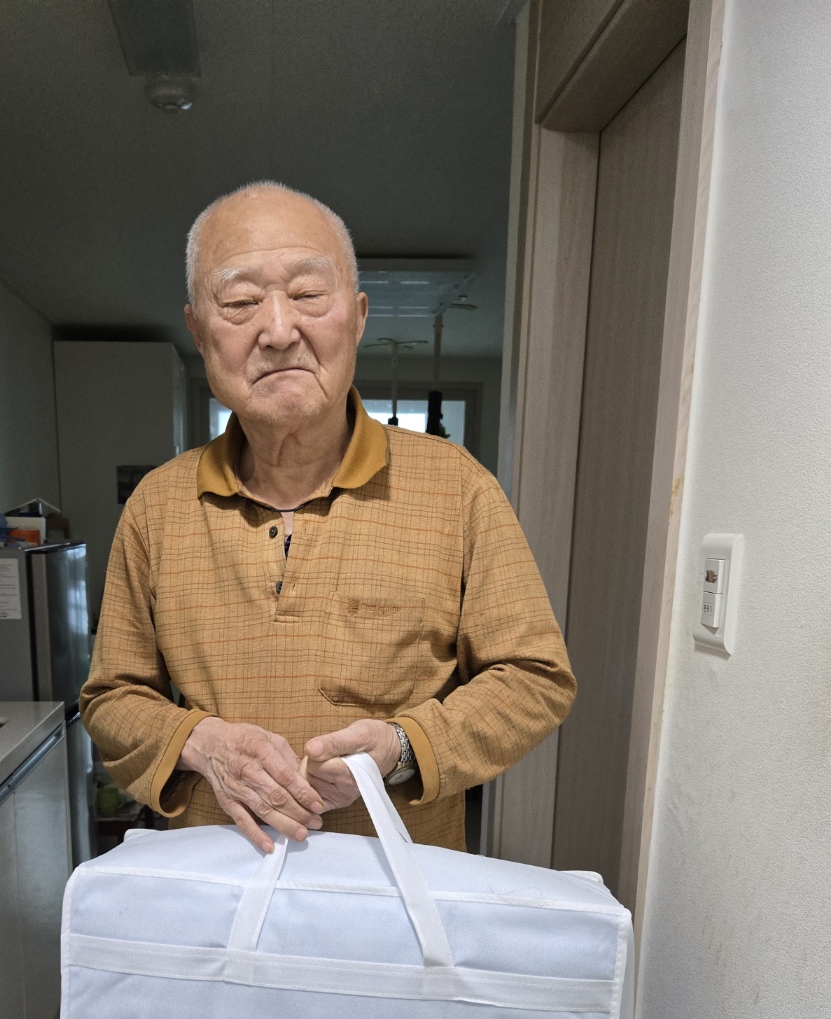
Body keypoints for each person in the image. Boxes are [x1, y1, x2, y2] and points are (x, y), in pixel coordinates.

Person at [81, 181, 575, 853]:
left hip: (396, 889)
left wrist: (405, 746)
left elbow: (535, 679)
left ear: (359, 317)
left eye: (309, 294)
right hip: (215, 884)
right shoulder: (158, 506)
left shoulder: (458, 488)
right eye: (241, 302)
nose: (279, 331)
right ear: (198, 331)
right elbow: (111, 697)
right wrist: (200, 743)